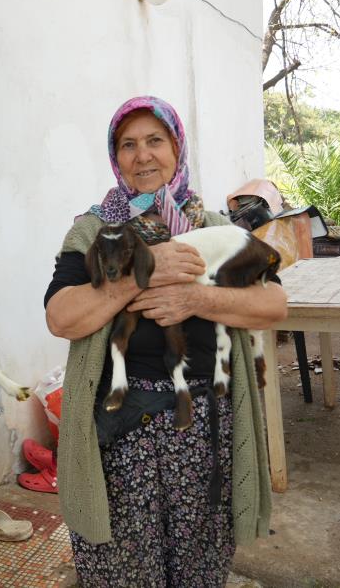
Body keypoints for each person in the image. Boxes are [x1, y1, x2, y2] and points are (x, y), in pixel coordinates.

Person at [44, 96, 287, 586]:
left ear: (177, 150)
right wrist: (141, 275)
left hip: (202, 428)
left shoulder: (214, 228)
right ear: (116, 158)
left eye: (156, 141)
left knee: (199, 568)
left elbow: (273, 304)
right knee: (123, 568)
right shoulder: (94, 229)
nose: (143, 155)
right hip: (121, 430)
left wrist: (197, 300)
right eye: (128, 144)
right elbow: (61, 317)